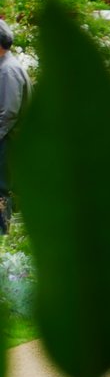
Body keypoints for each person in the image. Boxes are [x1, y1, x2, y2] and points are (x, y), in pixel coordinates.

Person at [0, 20, 31, 234]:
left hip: (8, 143)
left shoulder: (7, 71)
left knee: (1, 191)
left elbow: (8, 113)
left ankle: (2, 239)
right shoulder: (8, 67)